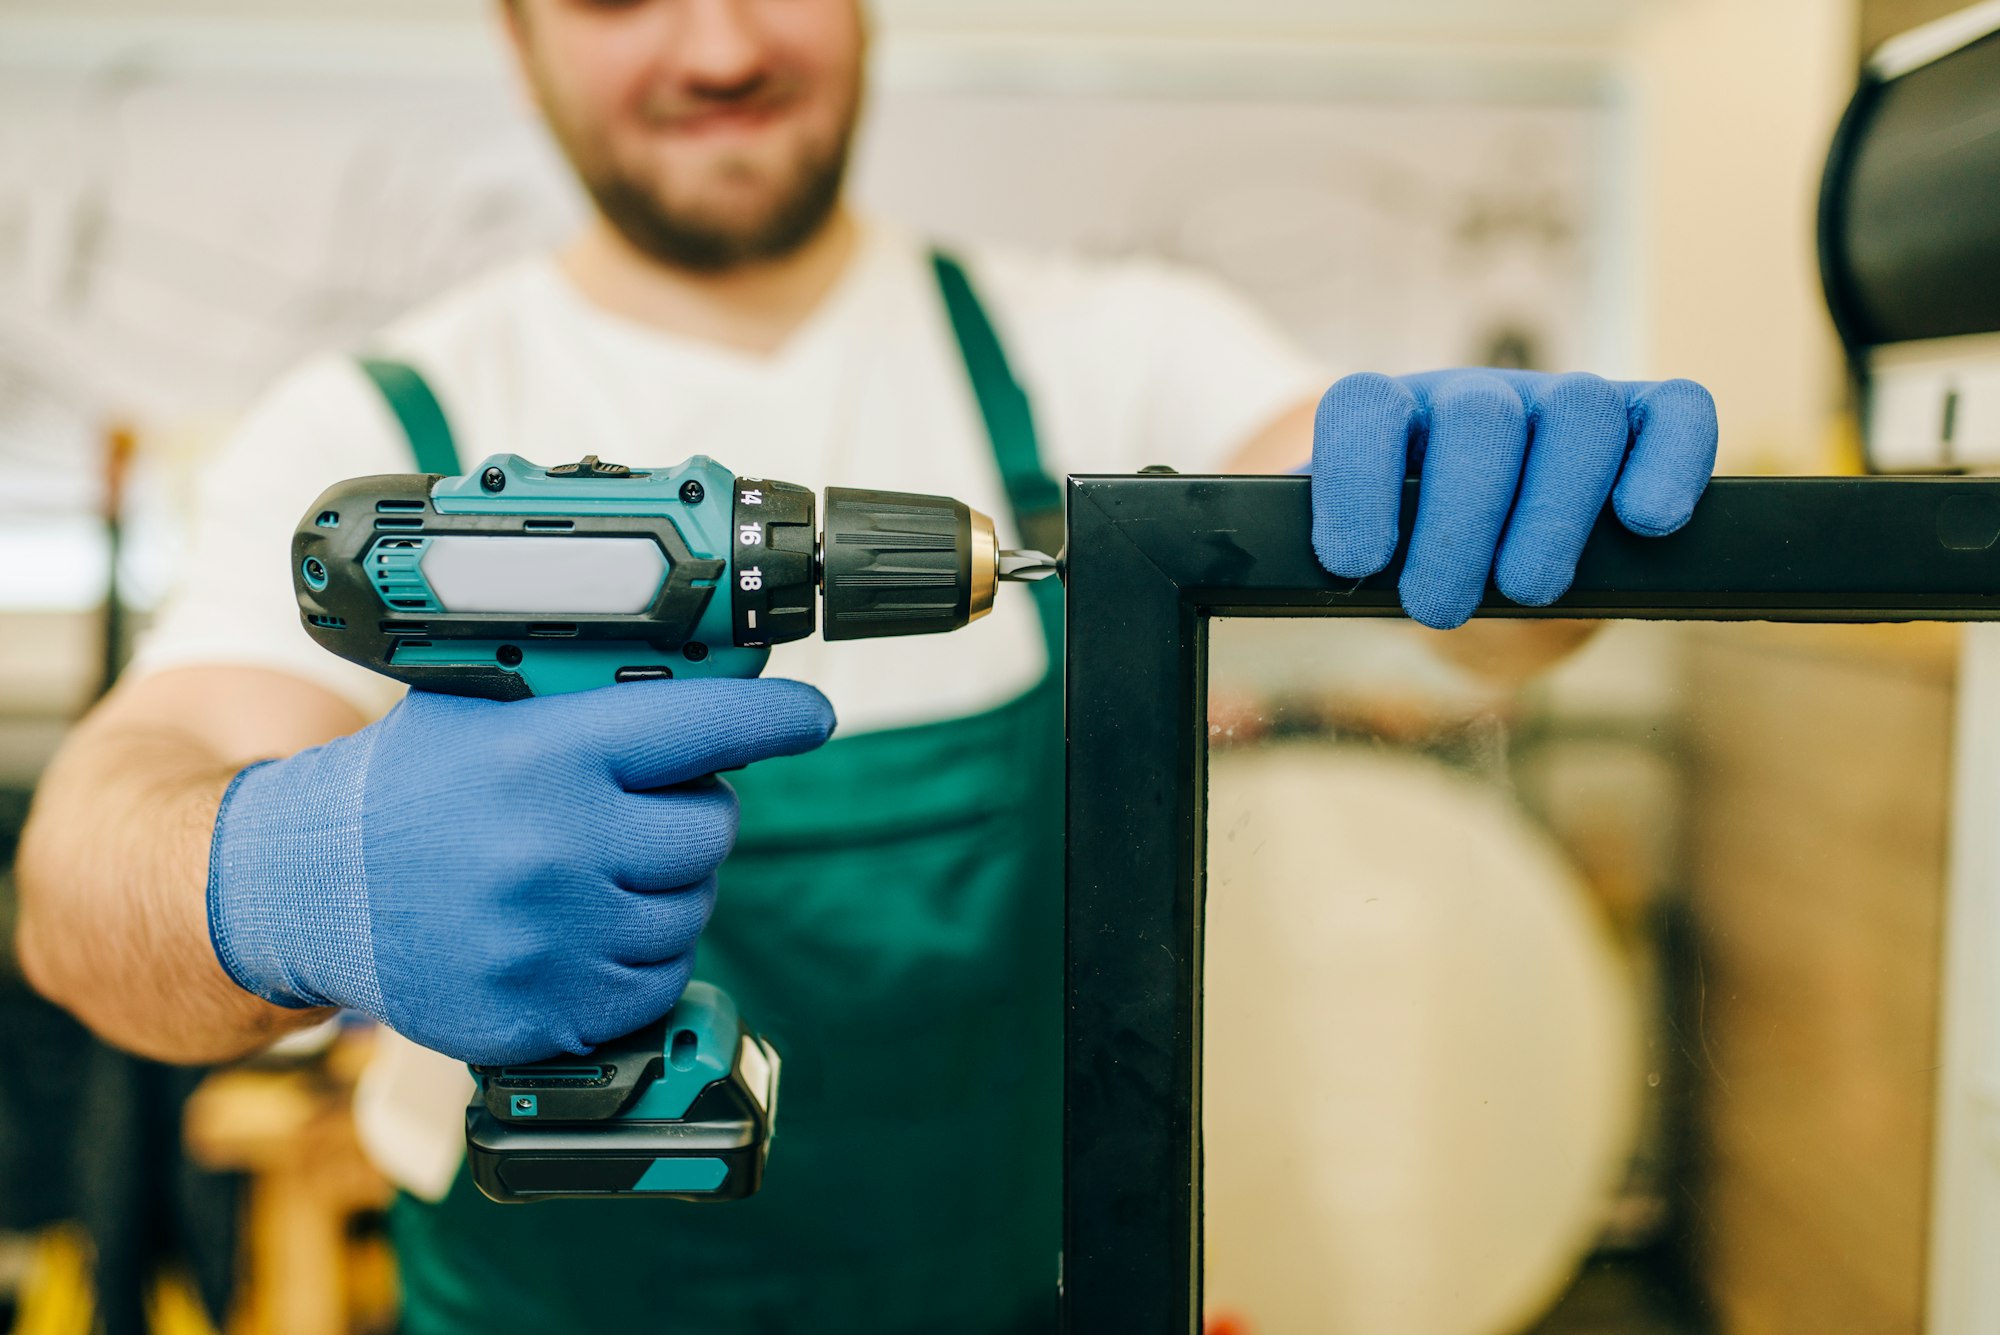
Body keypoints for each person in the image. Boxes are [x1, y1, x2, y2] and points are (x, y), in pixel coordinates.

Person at [12, 1, 1718, 1330]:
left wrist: (1498, 504)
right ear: (515, 30)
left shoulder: (1101, 353)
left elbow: (1436, 582)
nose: (721, 44)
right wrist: (300, 872)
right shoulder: (377, 429)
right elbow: (83, 884)